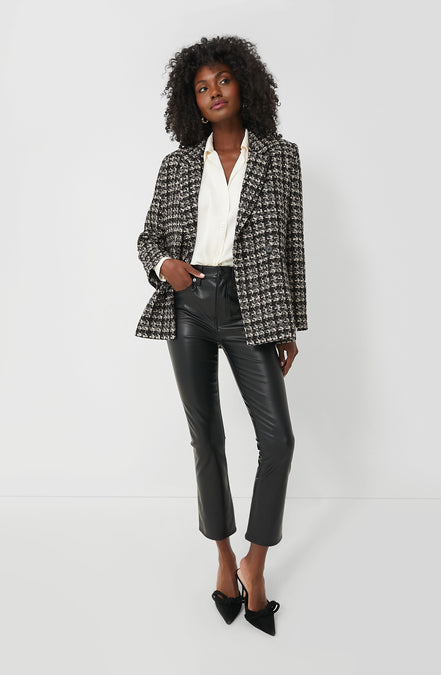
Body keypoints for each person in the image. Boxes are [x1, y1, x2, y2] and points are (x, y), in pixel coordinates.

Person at [136, 35, 307, 636]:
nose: (213, 93)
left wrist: (289, 324)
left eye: (222, 81)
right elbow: (148, 238)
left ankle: (255, 564)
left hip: (251, 306)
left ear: (244, 84)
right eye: (201, 87)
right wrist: (166, 266)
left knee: (278, 440)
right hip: (188, 306)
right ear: (191, 100)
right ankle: (223, 557)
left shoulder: (280, 158)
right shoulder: (178, 165)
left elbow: (292, 245)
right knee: (205, 437)